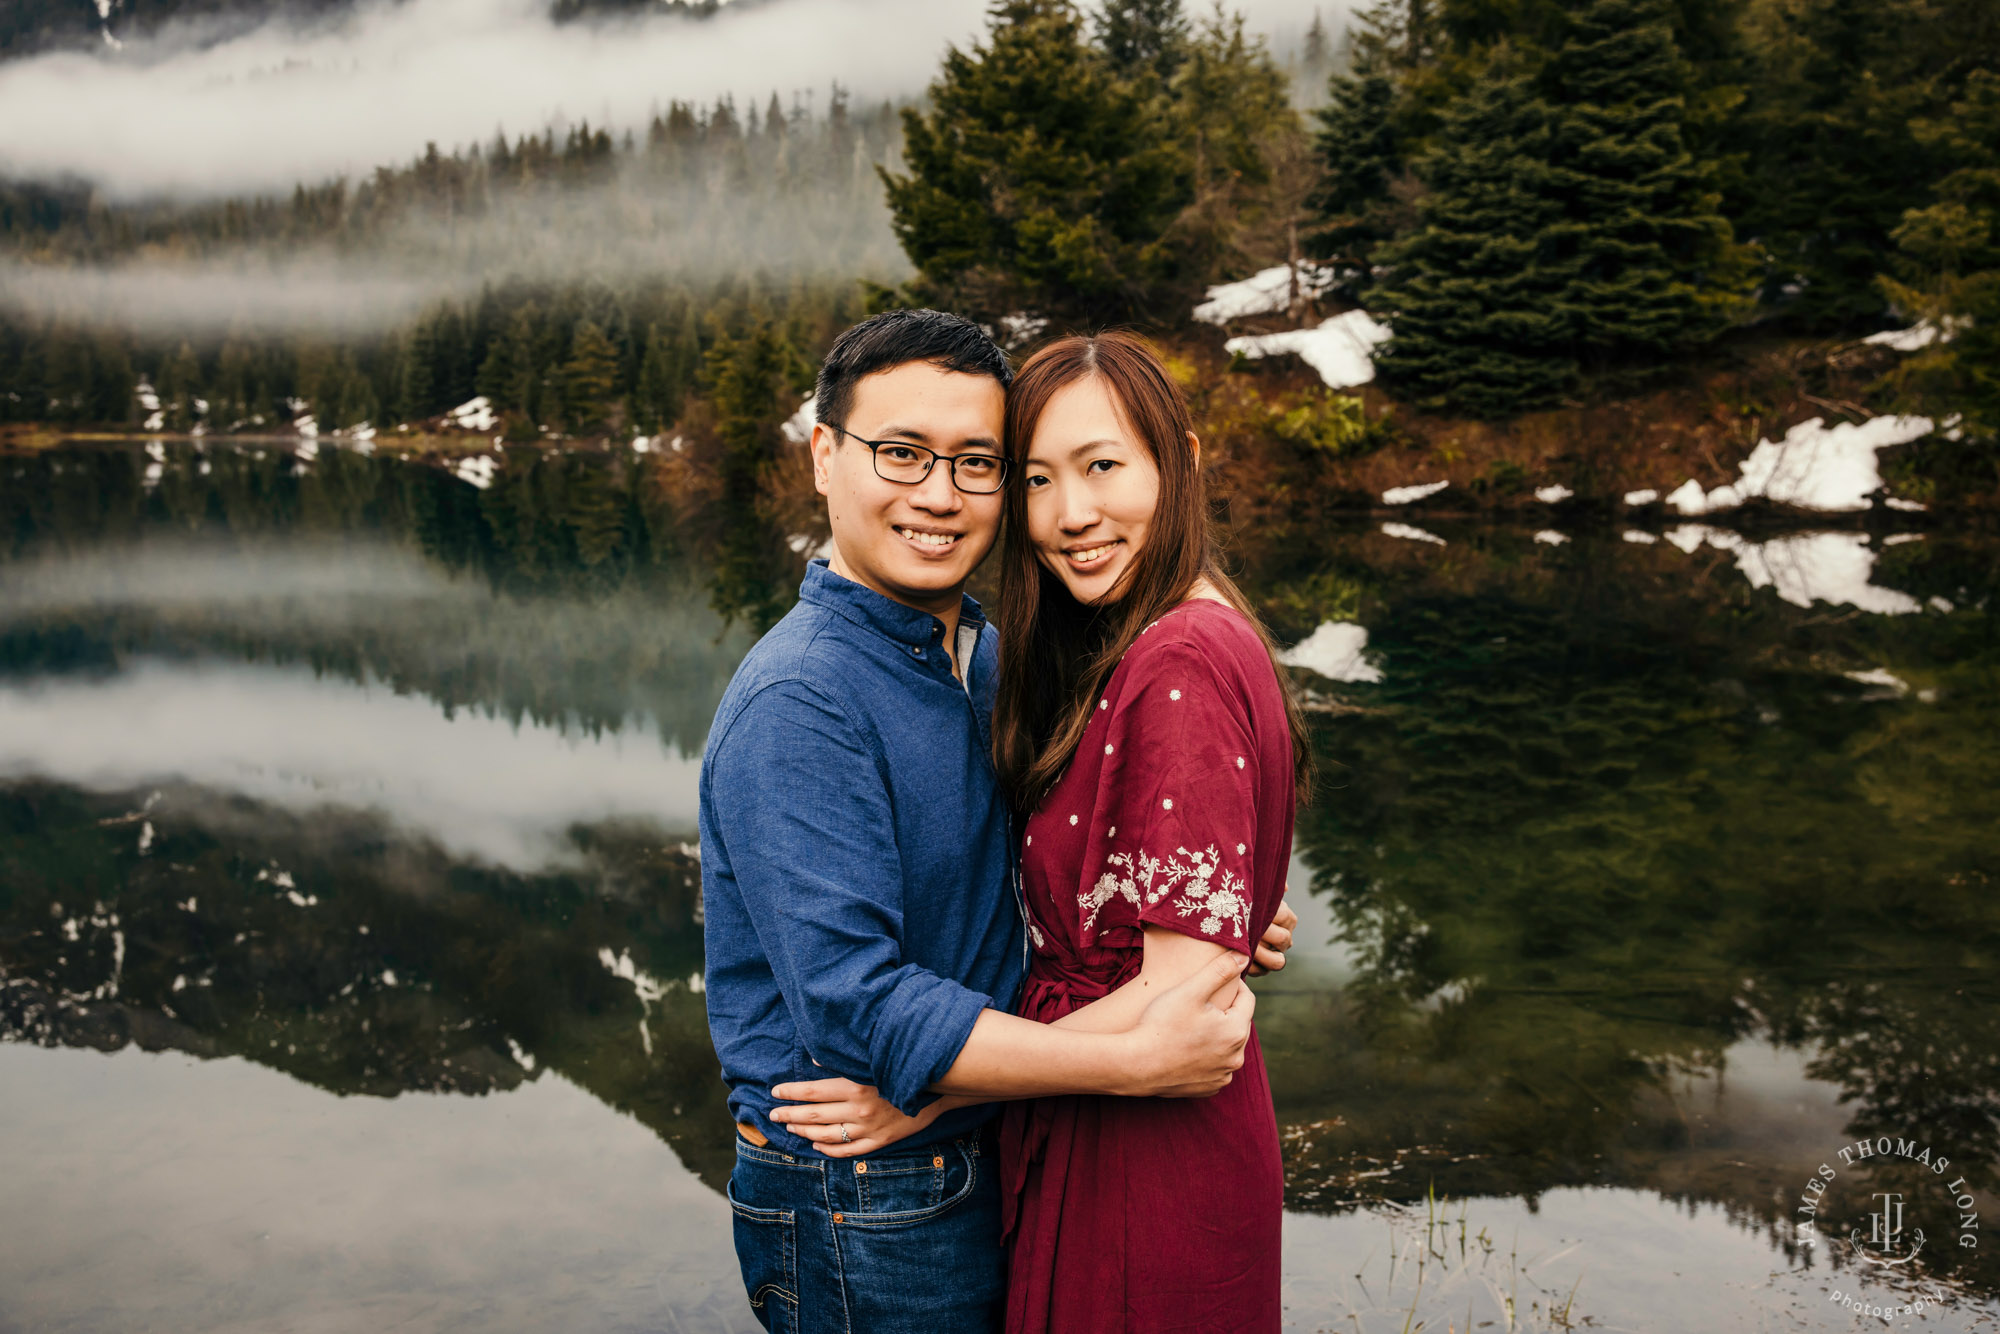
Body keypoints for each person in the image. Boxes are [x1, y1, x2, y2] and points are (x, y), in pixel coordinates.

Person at [699, 310, 1296, 1334]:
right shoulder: (800, 700)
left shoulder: (980, 656)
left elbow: (1032, 881)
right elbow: (855, 1003)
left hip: (969, 1153)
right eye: (901, 453)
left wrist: (1196, 907)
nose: (938, 494)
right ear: (821, 455)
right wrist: (1128, 1054)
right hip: (869, 1190)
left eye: (977, 462)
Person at [989, 331, 1310, 1333]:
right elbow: (1190, 936)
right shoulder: (1193, 628)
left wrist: (925, 1096)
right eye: (1036, 479)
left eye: (1100, 466)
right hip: (1144, 1125)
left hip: (1138, 1150)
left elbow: (1175, 1007)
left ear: (1178, 458)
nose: (1069, 515)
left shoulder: (1175, 661)